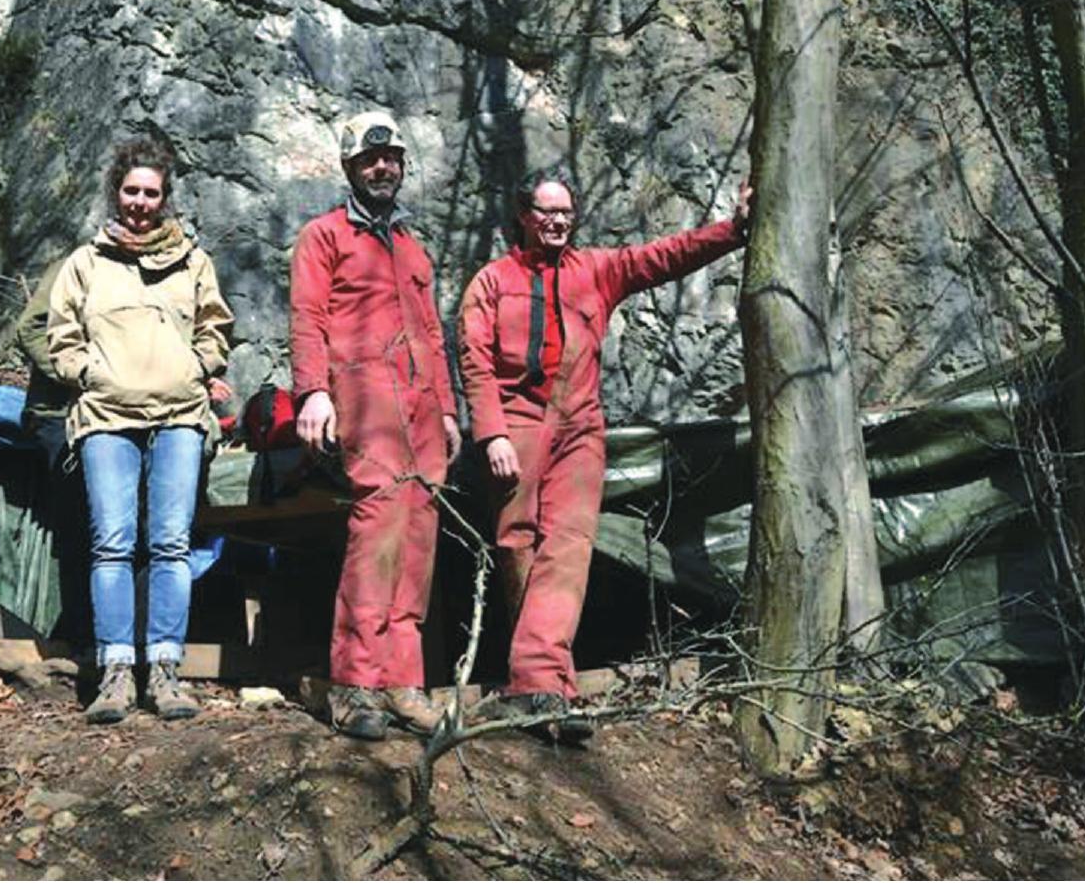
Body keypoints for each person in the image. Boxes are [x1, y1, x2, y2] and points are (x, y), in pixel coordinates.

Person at [458, 169, 749, 741]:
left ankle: (538, 682)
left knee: (567, 548)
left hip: (579, 430)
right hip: (516, 424)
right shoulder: (491, 281)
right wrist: (491, 432)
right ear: (523, 215)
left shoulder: (597, 270)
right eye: (547, 212)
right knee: (519, 545)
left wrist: (734, 229)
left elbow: (667, 256)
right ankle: (542, 683)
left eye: (566, 212)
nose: (558, 221)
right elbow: (475, 359)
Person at [48, 139, 234, 723]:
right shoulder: (85, 263)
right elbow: (60, 336)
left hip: (179, 415)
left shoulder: (194, 261)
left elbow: (216, 327)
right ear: (116, 192)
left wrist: (198, 367)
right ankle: (116, 674)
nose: (140, 203)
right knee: (112, 542)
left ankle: (167, 670)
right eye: (132, 191)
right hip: (106, 415)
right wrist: (88, 374)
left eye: (151, 193)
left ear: (164, 197)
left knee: (171, 542)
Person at [290, 110, 461, 740]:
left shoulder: (414, 247)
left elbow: (433, 337)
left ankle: (402, 685)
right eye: (369, 160)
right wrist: (312, 391)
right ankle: (354, 684)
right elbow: (308, 317)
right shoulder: (325, 236)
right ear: (349, 168)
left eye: (390, 158)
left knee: (417, 542)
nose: (382, 167)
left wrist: (446, 408)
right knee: (377, 535)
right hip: (365, 398)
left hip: (420, 408)